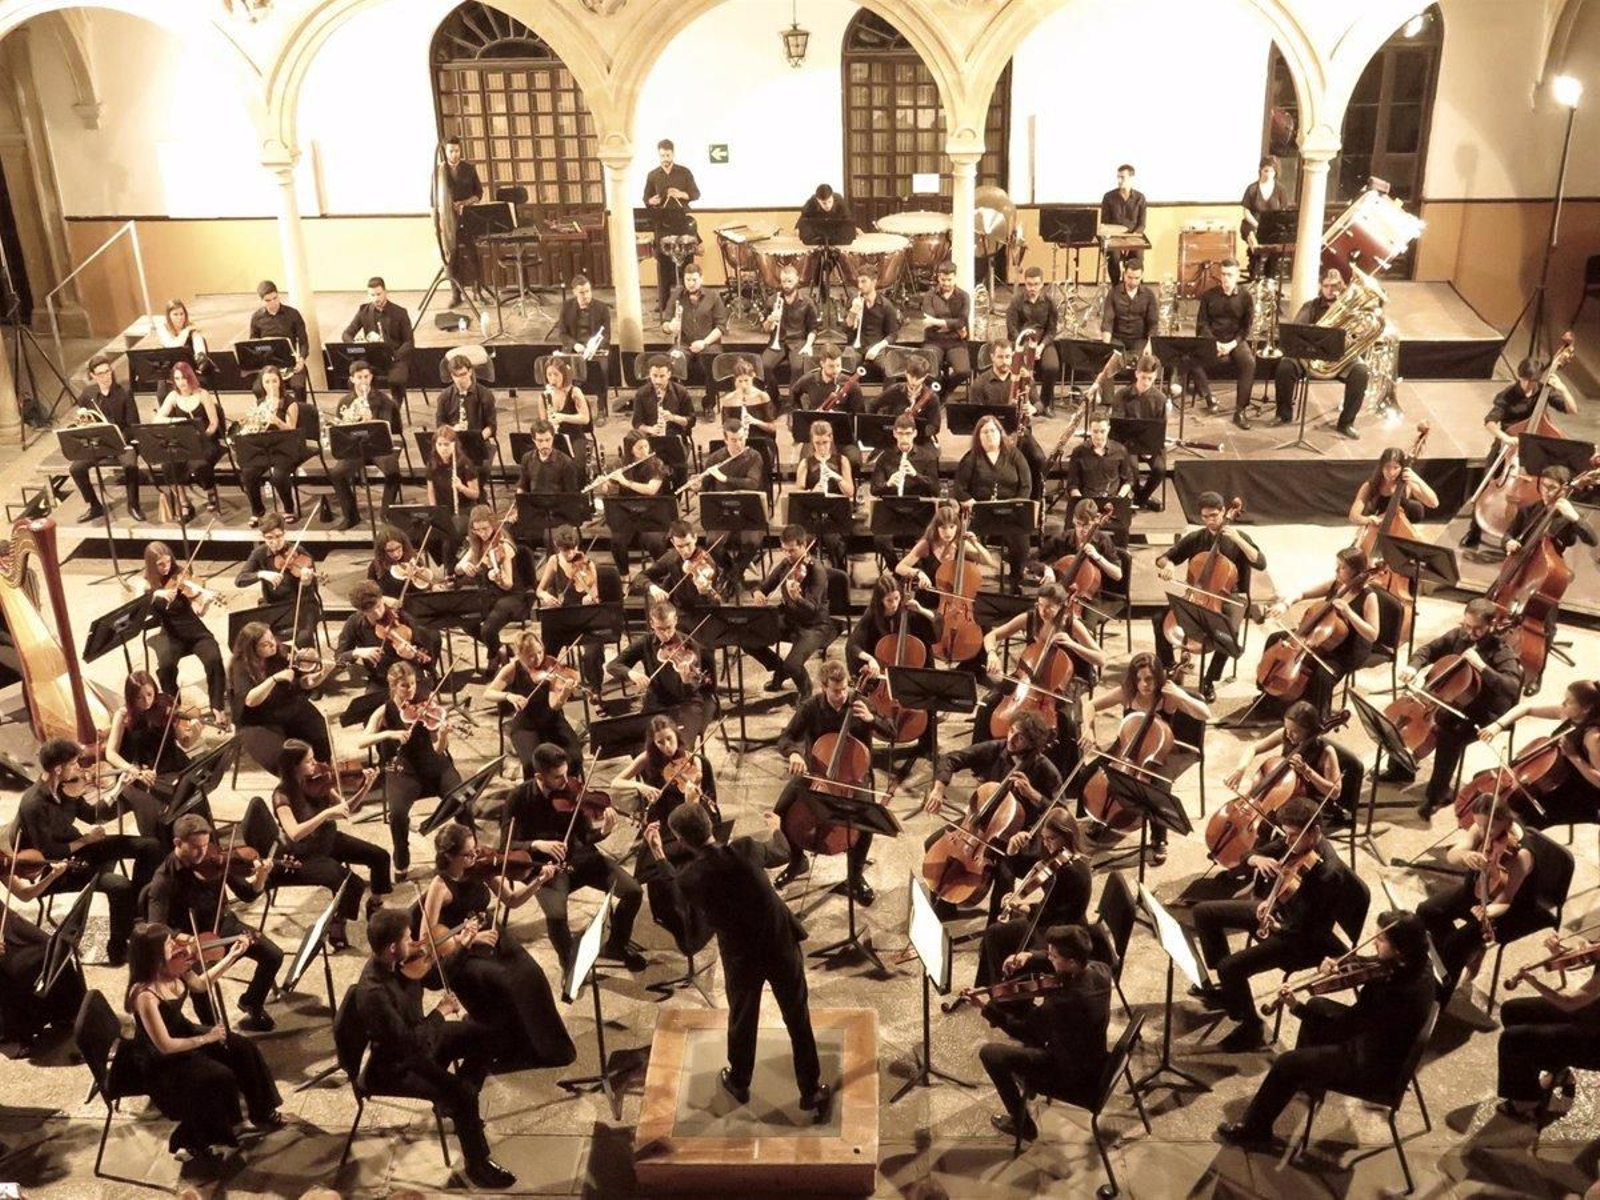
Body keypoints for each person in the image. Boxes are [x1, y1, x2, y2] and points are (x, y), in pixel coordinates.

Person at [650, 802, 830, 1117]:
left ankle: (739, 1082)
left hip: (741, 955)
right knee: (797, 1017)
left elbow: (675, 889)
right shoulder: (745, 849)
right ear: (710, 824)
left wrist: (659, 855)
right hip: (778, 943)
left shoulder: (691, 877)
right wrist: (777, 827)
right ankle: (811, 1090)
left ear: (679, 839)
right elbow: (781, 852)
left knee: (743, 1017)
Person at [1216, 911, 1436, 1149]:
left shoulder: (1393, 993)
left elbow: (1345, 1028)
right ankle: (1305, 1080)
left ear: (1400, 950)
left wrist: (1296, 1007)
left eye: (1381, 940)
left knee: (1286, 1063)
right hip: (1384, 1042)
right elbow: (1374, 962)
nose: (1375, 943)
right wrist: (1340, 962)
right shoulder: (1418, 964)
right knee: (1317, 1005)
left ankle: (1255, 1130)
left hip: (1373, 1066)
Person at [354, 908, 515, 1189]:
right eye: (408, 939)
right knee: (463, 1094)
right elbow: (409, 1046)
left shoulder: (399, 962)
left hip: (422, 1037)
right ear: (392, 947)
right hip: (397, 1065)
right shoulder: (374, 994)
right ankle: (477, 1165)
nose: (415, 943)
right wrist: (440, 1012)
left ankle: (458, 1103)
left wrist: (463, 945)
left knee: (486, 1035)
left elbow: (434, 978)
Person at [1192, 791, 1344, 1050]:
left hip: (1301, 940)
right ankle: (1231, 991)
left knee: (1230, 967)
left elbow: (1309, 927)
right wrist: (1257, 859)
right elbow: (1247, 855)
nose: (1287, 840)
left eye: (1293, 835)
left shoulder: (1328, 873)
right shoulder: (1295, 842)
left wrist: (1275, 921)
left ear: (1315, 832)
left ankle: (1251, 1027)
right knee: (1203, 913)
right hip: (1280, 912)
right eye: (1286, 834)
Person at [418, 822, 575, 1070]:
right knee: (507, 983)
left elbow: (512, 900)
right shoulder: (440, 886)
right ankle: (514, 1048)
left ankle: (546, 1046)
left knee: (531, 973)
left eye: (475, 850)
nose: (475, 856)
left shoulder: (480, 868)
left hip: (489, 933)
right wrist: (470, 939)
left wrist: (539, 881)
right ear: (449, 856)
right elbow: (428, 940)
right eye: (468, 854)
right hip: (462, 951)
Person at [123, 922, 282, 1162]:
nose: (177, 946)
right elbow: (165, 1046)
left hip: (183, 1031)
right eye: (169, 944)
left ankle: (262, 1110)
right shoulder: (144, 994)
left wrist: (233, 955)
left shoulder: (173, 966)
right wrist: (205, 1038)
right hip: (161, 1059)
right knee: (218, 1076)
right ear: (154, 955)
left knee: (242, 1047)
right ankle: (195, 1140)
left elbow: (199, 985)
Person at [501, 742, 647, 971]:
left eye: (566, 773)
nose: (566, 781)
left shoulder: (572, 791)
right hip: (547, 869)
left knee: (633, 891)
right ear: (539, 776)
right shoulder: (518, 798)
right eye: (558, 777)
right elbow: (506, 846)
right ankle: (569, 965)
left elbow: (586, 836)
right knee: (557, 916)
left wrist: (604, 831)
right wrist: (537, 844)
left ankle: (616, 946)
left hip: (581, 859)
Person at [143, 814, 283, 1032]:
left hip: (225, 925)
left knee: (273, 955)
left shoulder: (215, 858)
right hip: (192, 940)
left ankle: (252, 1003)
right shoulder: (164, 879)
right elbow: (156, 928)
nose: (203, 852)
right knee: (201, 987)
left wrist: (261, 877)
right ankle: (215, 1033)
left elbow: (247, 894)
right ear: (178, 843)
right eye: (195, 847)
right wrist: (189, 939)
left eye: (206, 845)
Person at [1385, 597, 1522, 817]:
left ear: (1491, 625)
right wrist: (1413, 667)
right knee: (1408, 716)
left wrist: (1482, 666)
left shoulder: (1501, 651)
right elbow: (1427, 650)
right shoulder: (1458, 635)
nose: (1470, 633)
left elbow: (1511, 687)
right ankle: (1400, 770)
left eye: (1477, 629)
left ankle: (1436, 796)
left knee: (1449, 736)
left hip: (1484, 711)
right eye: (1466, 625)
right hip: (1451, 700)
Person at [974, 924, 1111, 1143]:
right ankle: (1024, 1077)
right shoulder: (1101, 971)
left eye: (1054, 957)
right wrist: (1030, 956)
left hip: (1070, 1075)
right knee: (1032, 1033)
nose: (1050, 959)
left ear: (1072, 962)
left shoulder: (1062, 1003)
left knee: (991, 1054)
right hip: (1095, 1057)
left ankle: (1023, 1125)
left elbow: (1023, 1030)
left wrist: (987, 1007)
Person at [772, 659, 894, 902]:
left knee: (865, 821)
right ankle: (797, 860)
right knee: (781, 810)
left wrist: (871, 720)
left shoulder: (861, 703)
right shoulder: (811, 707)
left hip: (853, 777)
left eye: (844, 689)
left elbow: (892, 732)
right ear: (823, 687)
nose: (841, 695)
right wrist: (794, 753)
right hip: (816, 772)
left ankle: (855, 876)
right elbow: (785, 737)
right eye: (835, 691)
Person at [1081, 651, 1210, 867]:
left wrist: (1181, 696)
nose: (1144, 685)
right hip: (1125, 748)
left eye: (1149, 679)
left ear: (1158, 676)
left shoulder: (1168, 697)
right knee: (1090, 773)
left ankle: (1159, 839)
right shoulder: (1127, 693)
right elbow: (1090, 706)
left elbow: (1204, 714)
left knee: (1158, 791)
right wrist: (1088, 730)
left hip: (1160, 752)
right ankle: (1101, 817)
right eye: (1139, 679)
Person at [923, 710, 1064, 905]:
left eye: (1020, 737)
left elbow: (1061, 812)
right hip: (980, 818)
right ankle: (944, 907)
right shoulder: (997, 748)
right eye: (1011, 731)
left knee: (1005, 876)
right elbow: (951, 759)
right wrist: (938, 789)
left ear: (1032, 743)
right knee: (932, 843)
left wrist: (1033, 794)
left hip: (1015, 833)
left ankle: (998, 920)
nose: (1011, 739)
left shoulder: (1045, 769)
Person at [614, 714, 722, 952]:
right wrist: (640, 786)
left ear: (677, 735)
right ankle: (669, 914)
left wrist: (691, 799)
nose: (666, 746)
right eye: (660, 742)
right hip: (661, 824)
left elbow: (701, 809)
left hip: (684, 823)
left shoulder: (695, 761)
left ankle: (696, 920)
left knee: (687, 866)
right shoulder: (647, 758)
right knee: (657, 870)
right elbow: (616, 782)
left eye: (669, 739)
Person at [273, 738, 391, 950]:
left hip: (329, 838)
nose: (316, 764)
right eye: (309, 761)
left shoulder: (320, 781)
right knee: (352, 883)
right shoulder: (281, 795)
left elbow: (347, 810)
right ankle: (338, 922)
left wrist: (365, 787)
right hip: (306, 853)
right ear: (294, 766)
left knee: (380, 856)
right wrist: (326, 814)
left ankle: (374, 904)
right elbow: (295, 833)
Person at [1417, 792, 1535, 1002]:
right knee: (1426, 911)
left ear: (1507, 822)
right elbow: (1452, 855)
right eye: (1479, 825)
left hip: (1502, 910)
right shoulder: (1483, 826)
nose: (1483, 832)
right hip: (1475, 889)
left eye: (1489, 827)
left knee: (1453, 948)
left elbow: (1505, 900)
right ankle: (1470, 952)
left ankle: (1438, 1000)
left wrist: (1486, 911)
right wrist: (1464, 855)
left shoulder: (1521, 856)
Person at [1152, 490, 1265, 701]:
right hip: (1197, 594)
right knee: (1159, 619)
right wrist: (1168, 565)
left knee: (1228, 633)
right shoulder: (1196, 538)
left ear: (1223, 511)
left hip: (1230, 597)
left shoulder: (1239, 538)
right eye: (1205, 517)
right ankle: (1168, 665)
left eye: (1214, 515)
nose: (1210, 521)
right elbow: (1163, 558)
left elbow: (1260, 562)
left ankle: (1209, 679)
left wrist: (1238, 540)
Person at [1459, 356, 1580, 550]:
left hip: (1534, 450)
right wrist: (1505, 437)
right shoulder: (1508, 395)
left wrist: (1563, 388)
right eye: (1524, 379)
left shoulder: (1543, 391)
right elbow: (1490, 422)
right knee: (1488, 481)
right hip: (1508, 447)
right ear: (1519, 376)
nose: (1528, 385)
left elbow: (1572, 410)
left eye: (1532, 381)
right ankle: (1474, 530)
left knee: (1538, 488)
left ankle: (1520, 533)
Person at [359, 662, 465, 876]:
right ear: (393, 686)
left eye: (413, 684)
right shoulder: (385, 710)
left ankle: (469, 853)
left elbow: (439, 749)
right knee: (397, 814)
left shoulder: (428, 704)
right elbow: (362, 741)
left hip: (436, 765)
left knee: (464, 801)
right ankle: (402, 860)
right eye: (405, 686)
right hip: (404, 771)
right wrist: (389, 734)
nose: (411, 690)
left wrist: (443, 735)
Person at [973, 809, 1091, 987]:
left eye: (1051, 838)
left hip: (1062, 936)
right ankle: (985, 989)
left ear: (1067, 836)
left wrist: (1020, 906)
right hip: (1051, 922)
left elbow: (1049, 914)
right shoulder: (1057, 857)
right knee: (994, 932)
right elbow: (1028, 868)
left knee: (1007, 947)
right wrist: (1012, 851)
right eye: (1044, 838)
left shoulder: (1072, 871)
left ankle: (1005, 996)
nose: (1046, 843)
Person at [1260, 545, 1381, 718]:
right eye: (1337, 565)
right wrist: (1284, 604)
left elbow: (1373, 634)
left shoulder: (1369, 596)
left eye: (1342, 567)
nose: (1336, 570)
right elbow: (1302, 593)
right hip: (1319, 635)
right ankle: (1269, 693)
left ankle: (1313, 716)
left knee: (1322, 674)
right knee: (1275, 639)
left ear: (1356, 571)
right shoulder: (1336, 584)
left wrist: (1349, 612)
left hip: (1349, 647)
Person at [1495, 931, 1600, 1119]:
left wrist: (1533, 981)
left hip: (1596, 1040)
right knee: (1513, 1011)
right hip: (1590, 1011)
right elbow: (1587, 958)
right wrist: (1559, 952)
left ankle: (1527, 1100)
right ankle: (1558, 1072)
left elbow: (1569, 1002)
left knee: (1514, 1039)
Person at [1479, 680, 1600, 828]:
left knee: (1519, 812)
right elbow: (1527, 708)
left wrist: (1573, 756)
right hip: (1552, 782)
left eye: (1569, 701)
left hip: (1576, 795)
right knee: (1482, 779)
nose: (1563, 704)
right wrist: (1497, 725)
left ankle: (1509, 839)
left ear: (1586, 708)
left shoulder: (1593, 737)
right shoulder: (1570, 714)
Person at [1274, 267, 1372, 438]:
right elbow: (1297, 331)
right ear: (1321, 286)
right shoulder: (1311, 306)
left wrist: (1352, 334)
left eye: (1334, 286)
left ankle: (1346, 423)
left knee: (1361, 372)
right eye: (1326, 286)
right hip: (1310, 356)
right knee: (1285, 367)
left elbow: (1359, 334)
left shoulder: (1352, 310)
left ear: (1342, 286)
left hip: (1340, 358)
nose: (1330, 290)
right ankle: (1283, 414)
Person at [0, 858, 86, 1049]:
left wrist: (52, 876)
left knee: (54, 947)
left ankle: (68, 1014)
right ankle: (20, 1031)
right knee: (23, 967)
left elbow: (24, 894)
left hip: (5, 921)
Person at [605, 599, 718, 741]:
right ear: (652, 624)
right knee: (643, 743)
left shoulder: (689, 645)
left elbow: (695, 690)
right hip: (656, 701)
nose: (666, 634)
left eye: (669, 627)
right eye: (660, 629)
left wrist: (686, 681)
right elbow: (612, 666)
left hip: (686, 703)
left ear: (675, 620)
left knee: (678, 742)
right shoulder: (646, 642)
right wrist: (631, 673)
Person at [144, 541, 228, 723]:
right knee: (166, 667)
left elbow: (200, 612)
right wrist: (157, 594)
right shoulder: (145, 584)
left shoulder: (181, 576)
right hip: (171, 635)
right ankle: (175, 709)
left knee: (213, 658)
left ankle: (217, 706)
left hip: (196, 632)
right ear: (151, 565)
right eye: (160, 564)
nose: (166, 567)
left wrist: (205, 601)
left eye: (168, 562)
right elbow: (140, 609)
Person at [229, 620, 331, 771]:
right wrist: (274, 679)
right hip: (258, 720)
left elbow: (304, 683)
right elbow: (250, 700)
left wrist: (322, 674)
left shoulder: (282, 653)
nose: (273, 645)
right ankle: (293, 780)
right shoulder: (240, 666)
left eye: (272, 638)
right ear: (252, 649)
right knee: (281, 758)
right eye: (265, 644)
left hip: (286, 707)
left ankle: (323, 771)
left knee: (319, 733)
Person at [748, 525, 835, 699]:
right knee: (748, 639)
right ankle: (780, 669)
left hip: (814, 626)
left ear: (804, 545)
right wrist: (757, 593)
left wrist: (798, 598)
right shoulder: (786, 564)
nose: (788, 555)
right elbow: (763, 587)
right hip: (790, 620)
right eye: (784, 550)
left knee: (793, 665)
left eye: (792, 550)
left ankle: (805, 692)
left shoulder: (817, 571)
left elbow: (813, 609)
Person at [484, 628, 585, 773]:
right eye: (531, 656)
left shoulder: (550, 664)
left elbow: (554, 705)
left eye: (540, 652)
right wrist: (509, 696)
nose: (538, 658)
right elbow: (488, 693)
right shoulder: (512, 669)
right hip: (526, 726)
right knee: (531, 765)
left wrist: (564, 693)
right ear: (520, 655)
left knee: (574, 757)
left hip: (552, 721)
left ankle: (567, 786)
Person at [953, 415, 1034, 591]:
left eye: (992, 431)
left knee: (1021, 541)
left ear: (1000, 433)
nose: (989, 435)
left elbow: (1026, 485)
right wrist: (972, 503)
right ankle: (965, 583)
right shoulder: (971, 458)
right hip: (980, 513)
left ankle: (1016, 581)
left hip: (1010, 512)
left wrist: (1017, 504)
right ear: (978, 436)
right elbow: (959, 488)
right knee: (962, 540)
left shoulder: (1014, 455)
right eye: (984, 432)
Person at [896, 498, 998, 636]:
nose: (948, 532)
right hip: (931, 599)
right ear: (936, 528)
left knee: (983, 624)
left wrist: (975, 543)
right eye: (943, 527)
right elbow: (900, 567)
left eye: (952, 527)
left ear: (957, 527)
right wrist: (918, 573)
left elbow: (988, 561)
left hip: (956, 599)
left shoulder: (960, 543)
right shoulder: (927, 544)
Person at [328, 359, 404, 531]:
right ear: (352, 379)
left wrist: (370, 420)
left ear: (371, 377)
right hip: (355, 447)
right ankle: (351, 516)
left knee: (393, 471)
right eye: (359, 377)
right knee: (337, 474)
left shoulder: (383, 400)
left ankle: (386, 514)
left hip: (379, 446)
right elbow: (340, 429)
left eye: (366, 376)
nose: (364, 381)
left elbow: (387, 428)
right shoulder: (345, 401)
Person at [690, 419, 765, 585]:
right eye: (733, 440)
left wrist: (724, 478)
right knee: (712, 543)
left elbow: (753, 483)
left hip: (748, 513)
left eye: (741, 438)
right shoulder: (715, 459)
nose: (739, 444)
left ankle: (733, 575)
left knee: (753, 541)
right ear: (725, 440)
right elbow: (704, 488)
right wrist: (696, 486)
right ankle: (733, 571)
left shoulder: (754, 456)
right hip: (722, 513)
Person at [70, 353, 144, 521]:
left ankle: (133, 505)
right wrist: (82, 420)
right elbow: (81, 417)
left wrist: (118, 438)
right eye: (101, 373)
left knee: (130, 465)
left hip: (122, 441)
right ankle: (95, 506)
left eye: (108, 371)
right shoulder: (88, 394)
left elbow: (133, 424)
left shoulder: (124, 392)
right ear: (93, 376)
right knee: (76, 469)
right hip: (98, 443)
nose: (106, 376)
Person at [970, 337, 1046, 499]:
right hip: (992, 435)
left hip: (1020, 432)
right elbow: (975, 416)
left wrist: (1032, 408)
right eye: (1000, 357)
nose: (1005, 361)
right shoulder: (980, 383)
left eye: (1008, 357)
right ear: (992, 357)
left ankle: (1034, 501)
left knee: (1039, 459)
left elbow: (1040, 404)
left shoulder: (1023, 378)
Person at [337, 579, 441, 695]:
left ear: (382, 599)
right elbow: (339, 660)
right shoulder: (354, 623)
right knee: (366, 705)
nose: (377, 613)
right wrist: (357, 652)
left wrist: (411, 656)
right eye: (370, 611)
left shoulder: (403, 618)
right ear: (361, 611)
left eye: (378, 606)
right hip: (381, 681)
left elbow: (428, 663)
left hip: (410, 678)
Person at [534, 523, 604, 691]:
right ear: (557, 547)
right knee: (547, 650)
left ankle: (595, 690)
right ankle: (549, 688)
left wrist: (590, 597)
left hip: (587, 620)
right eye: (566, 550)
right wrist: (547, 597)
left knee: (592, 653)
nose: (571, 554)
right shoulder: (554, 561)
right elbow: (539, 590)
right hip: (564, 618)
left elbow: (596, 596)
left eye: (573, 549)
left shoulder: (587, 564)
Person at [236, 363, 309, 524]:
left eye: (274, 381)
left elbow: (291, 430)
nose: (271, 385)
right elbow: (257, 427)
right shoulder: (260, 402)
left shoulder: (290, 402)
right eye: (267, 382)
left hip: (286, 447)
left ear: (280, 382)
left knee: (279, 476)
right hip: (265, 447)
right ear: (262, 383)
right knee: (248, 473)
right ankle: (257, 510)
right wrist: (248, 424)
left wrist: (277, 421)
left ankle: (288, 508)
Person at [235, 513, 322, 645]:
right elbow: (239, 580)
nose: (275, 542)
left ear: (284, 533)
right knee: (257, 638)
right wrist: (261, 574)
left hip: (302, 604)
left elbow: (312, 590)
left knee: (303, 637)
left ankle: (307, 657)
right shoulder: (259, 554)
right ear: (263, 537)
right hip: (273, 605)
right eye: (269, 538)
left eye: (278, 536)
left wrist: (306, 582)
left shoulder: (299, 552)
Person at [1096, 352, 1168, 510]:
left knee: (1160, 469)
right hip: (1127, 443)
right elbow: (1118, 427)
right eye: (1143, 377)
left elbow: (1160, 429)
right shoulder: (1121, 395)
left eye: (1150, 378)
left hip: (1150, 444)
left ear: (1155, 377)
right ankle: (1142, 499)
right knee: (1132, 468)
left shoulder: (1160, 398)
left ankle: (1140, 499)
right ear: (1136, 374)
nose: (1146, 382)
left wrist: (1149, 448)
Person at [457, 503, 527, 665]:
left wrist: (497, 579)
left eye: (485, 529)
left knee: (488, 629)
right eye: (477, 530)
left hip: (511, 596)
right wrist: (464, 566)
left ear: (493, 525)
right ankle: (499, 648)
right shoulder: (477, 543)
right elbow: (457, 569)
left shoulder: (504, 546)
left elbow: (508, 584)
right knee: (465, 620)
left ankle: (493, 657)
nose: (482, 533)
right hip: (490, 595)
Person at [1191, 259, 1256, 428]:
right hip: (1213, 339)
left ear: (1237, 276)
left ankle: (1240, 411)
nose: (1226, 278)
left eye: (1230, 275)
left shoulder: (1246, 297)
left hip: (1234, 340)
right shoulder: (1209, 295)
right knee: (1189, 357)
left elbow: (1246, 328)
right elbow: (1202, 324)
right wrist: (1214, 343)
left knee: (1249, 362)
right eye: (1223, 274)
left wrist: (1231, 344)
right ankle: (1209, 398)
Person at [154, 362, 224, 518]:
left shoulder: (202, 394)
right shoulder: (173, 396)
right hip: (182, 444)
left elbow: (213, 423)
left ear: (190, 377)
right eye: (177, 379)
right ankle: (184, 501)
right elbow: (157, 418)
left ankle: (210, 491)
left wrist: (203, 436)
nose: (181, 382)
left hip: (205, 442)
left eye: (184, 378)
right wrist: (175, 420)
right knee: (168, 465)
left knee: (200, 465)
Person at [599, 429, 673, 572]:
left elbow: (651, 490)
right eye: (639, 448)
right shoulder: (621, 463)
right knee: (617, 541)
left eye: (646, 446)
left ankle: (663, 574)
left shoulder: (657, 463)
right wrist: (605, 485)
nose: (644, 451)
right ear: (630, 450)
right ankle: (624, 575)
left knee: (654, 541)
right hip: (627, 514)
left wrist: (626, 482)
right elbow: (609, 487)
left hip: (652, 514)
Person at [643, 138, 700, 312]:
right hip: (662, 225)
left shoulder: (684, 172)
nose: (665, 159)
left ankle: (688, 300)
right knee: (663, 265)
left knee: (686, 263)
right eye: (662, 156)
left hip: (682, 224)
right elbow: (646, 198)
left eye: (668, 155)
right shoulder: (653, 175)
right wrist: (651, 201)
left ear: (673, 154)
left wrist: (680, 194)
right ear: (658, 154)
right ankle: (665, 304)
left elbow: (695, 194)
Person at [341, 276, 414, 412]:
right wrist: (357, 345)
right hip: (373, 358)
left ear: (385, 292)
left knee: (396, 380)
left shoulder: (400, 312)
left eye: (379, 294)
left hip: (395, 357)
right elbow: (346, 334)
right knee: (356, 376)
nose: (376, 299)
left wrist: (395, 356)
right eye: (372, 295)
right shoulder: (364, 311)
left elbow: (409, 342)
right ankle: (367, 406)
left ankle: (394, 410)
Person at [662, 263, 726, 414]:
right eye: (687, 280)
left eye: (694, 280)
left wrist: (704, 343)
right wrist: (670, 327)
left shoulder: (713, 296)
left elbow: (721, 327)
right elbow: (664, 323)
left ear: (701, 279)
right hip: (684, 343)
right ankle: (677, 402)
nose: (690, 283)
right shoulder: (676, 295)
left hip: (708, 342)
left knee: (712, 360)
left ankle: (709, 404)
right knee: (671, 361)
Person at [1006, 267, 1060, 412]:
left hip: (1042, 343)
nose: (1032, 288)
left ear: (1042, 284)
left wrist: (1040, 346)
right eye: (1029, 284)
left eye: (1036, 284)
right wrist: (1025, 347)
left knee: (1052, 367)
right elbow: (1011, 328)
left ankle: (1044, 404)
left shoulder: (1049, 302)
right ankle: (1023, 403)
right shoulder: (1016, 301)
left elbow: (1052, 330)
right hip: (1021, 343)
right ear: (1025, 283)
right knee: (1023, 370)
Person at [1348, 442, 1439, 529]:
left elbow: (1434, 503)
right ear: (1381, 466)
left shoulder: (1407, 484)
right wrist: (1369, 520)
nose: (1391, 472)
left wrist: (1417, 479)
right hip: (1377, 528)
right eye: (1387, 467)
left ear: (1402, 467)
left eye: (1396, 467)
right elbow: (1353, 516)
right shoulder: (1370, 486)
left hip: (1399, 527)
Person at [425, 422, 480, 565]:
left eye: (447, 444)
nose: (443, 448)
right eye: (440, 444)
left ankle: (451, 568)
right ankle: (445, 562)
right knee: (426, 534)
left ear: (454, 445)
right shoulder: (432, 463)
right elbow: (431, 491)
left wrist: (461, 487)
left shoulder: (465, 464)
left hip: (464, 509)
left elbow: (475, 494)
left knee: (449, 536)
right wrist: (434, 511)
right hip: (444, 510)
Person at [554, 273, 611, 412]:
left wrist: (594, 346)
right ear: (574, 292)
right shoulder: (566, 307)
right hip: (575, 349)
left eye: (588, 291)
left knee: (600, 370)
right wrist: (575, 345)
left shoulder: (602, 308)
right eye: (582, 293)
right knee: (562, 370)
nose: (586, 296)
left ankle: (601, 408)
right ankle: (570, 405)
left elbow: (606, 335)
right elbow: (562, 334)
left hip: (595, 350)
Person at [441, 136, 484, 308]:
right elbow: (433, 200)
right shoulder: (439, 171)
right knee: (452, 259)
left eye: (457, 150)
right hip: (448, 222)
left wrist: (464, 203)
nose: (454, 154)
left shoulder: (469, 169)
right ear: (445, 151)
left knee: (473, 256)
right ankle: (456, 294)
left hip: (467, 218)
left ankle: (477, 291)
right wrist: (437, 223)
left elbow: (479, 194)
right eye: (451, 151)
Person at [760, 264, 819, 387]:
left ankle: (793, 398)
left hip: (798, 342)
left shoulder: (807, 302)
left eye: (789, 281)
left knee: (798, 368)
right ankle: (774, 396)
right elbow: (766, 329)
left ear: (797, 279)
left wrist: (808, 345)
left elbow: (813, 328)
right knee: (764, 366)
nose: (786, 285)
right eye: (783, 281)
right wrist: (770, 320)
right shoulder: (773, 300)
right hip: (778, 342)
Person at [631, 354, 696, 463]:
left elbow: (691, 421)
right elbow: (637, 424)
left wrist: (673, 418)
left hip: (675, 438)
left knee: (675, 462)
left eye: (662, 376)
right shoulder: (641, 394)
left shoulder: (681, 392)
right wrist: (651, 429)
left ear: (669, 374)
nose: (658, 381)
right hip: (650, 439)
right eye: (654, 376)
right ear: (649, 374)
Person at [435, 353, 499, 463]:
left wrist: (478, 440)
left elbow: (491, 426)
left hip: (478, 443)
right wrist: (452, 431)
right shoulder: (444, 396)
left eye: (463, 374)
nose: (460, 379)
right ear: (451, 375)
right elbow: (440, 423)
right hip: (453, 442)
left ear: (470, 372)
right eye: (456, 375)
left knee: (479, 467)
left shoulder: (485, 394)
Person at [1064, 409, 1135, 507]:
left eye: (1102, 431)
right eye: (1095, 431)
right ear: (1089, 430)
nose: (1099, 436)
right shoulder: (1079, 452)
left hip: (1112, 501)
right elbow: (1072, 485)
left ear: (1108, 429)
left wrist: (1119, 498)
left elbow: (1128, 480)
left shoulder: (1120, 450)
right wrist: (1083, 504)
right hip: (1087, 502)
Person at [921, 261, 972, 395]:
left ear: (955, 278)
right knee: (928, 370)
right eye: (943, 280)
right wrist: (953, 326)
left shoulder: (964, 296)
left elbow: (962, 321)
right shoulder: (929, 296)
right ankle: (935, 396)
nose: (946, 283)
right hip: (934, 340)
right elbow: (929, 322)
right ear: (938, 277)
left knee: (963, 371)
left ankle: (944, 390)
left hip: (955, 341)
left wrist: (937, 322)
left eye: (949, 280)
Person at [537, 356, 594, 472]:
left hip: (575, 436)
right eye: (549, 375)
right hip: (555, 438)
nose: (552, 379)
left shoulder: (574, 392)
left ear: (564, 374)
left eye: (556, 374)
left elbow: (585, 418)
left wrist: (562, 417)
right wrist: (549, 425)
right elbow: (543, 425)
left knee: (575, 465)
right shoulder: (543, 397)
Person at [248, 280, 310, 387]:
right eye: (268, 300)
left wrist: (301, 359)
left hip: (290, 362)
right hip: (268, 364)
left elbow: (303, 342)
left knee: (298, 386)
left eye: (275, 298)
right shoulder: (257, 317)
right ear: (261, 300)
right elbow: (253, 344)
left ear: (278, 295)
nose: (273, 302)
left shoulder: (293, 314)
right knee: (257, 389)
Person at [872, 353, 942, 446]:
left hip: (919, 440)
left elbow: (935, 426)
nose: (914, 381)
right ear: (906, 373)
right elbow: (873, 405)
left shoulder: (932, 398)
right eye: (911, 376)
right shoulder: (895, 390)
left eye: (919, 378)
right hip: (894, 438)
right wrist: (879, 427)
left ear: (925, 376)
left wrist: (915, 433)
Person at [1240, 154, 1290, 280]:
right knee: (1256, 249)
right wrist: (1258, 225)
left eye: (1272, 171)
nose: (1268, 174)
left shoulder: (1281, 189)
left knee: (1274, 251)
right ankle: (1254, 275)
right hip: (1253, 223)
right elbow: (1246, 212)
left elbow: (1283, 211)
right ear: (1260, 170)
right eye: (1266, 171)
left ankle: (1270, 279)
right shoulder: (1252, 188)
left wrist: (1274, 226)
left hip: (1273, 226)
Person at [845, 267, 900, 377]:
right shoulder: (854, 301)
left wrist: (877, 348)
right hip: (856, 347)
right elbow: (847, 327)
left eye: (864, 281)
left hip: (876, 346)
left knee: (890, 370)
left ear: (874, 282)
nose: (860, 286)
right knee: (844, 366)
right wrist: (852, 312)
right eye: (859, 282)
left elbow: (893, 334)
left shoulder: (886, 305)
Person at [1099, 164, 1148, 286]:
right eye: (1118, 177)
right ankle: (1116, 287)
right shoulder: (1108, 197)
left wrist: (1130, 241)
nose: (1119, 180)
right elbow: (1105, 223)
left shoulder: (1140, 198)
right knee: (1114, 257)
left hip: (1134, 237)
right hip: (1114, 238)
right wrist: (1118, 241)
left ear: (1131, 178)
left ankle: (1135, 287)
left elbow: (1142, 224)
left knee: (1138, 256)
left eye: (1122, 177)